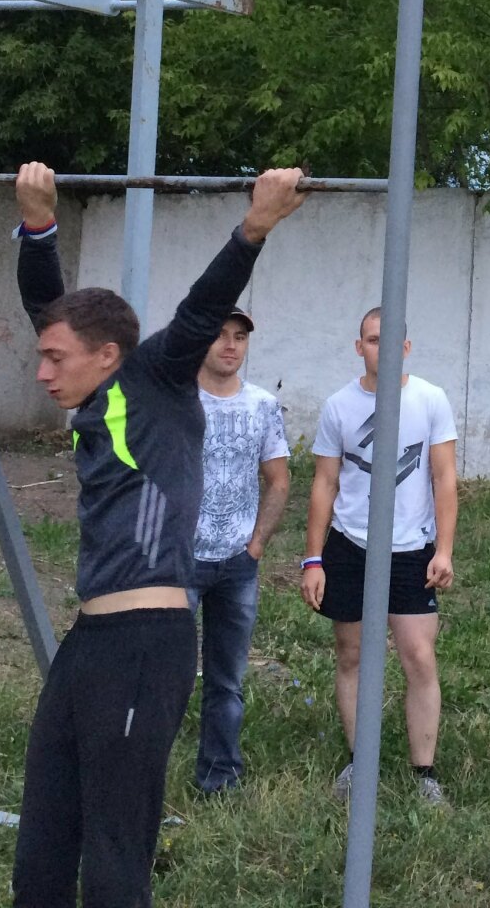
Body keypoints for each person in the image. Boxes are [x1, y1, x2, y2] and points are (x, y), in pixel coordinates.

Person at [9, 161, 309, 906]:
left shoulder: (156, 380)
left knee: (115, 853)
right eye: (43, 356)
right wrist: (39, 225)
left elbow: (202, 309)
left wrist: (255, 226)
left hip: (146, 643)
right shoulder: (97, 393)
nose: (42, 372)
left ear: (108, 355)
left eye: (55, 359)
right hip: (88, 641)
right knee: (44, 836)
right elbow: (50, 309)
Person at [301, 307, 458, 807]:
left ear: (405, 348)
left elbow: (443, 478)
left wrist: (444, 550)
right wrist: (313, 559)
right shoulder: (339, 407)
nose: (382, 349)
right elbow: (325, 483)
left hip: (411, 549)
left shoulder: (430, 400)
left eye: (391, 341)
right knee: (351, 654)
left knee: (419, 656)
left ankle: (424, 774)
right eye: (372, 340)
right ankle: (358, 760)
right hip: (351, 546)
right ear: (359, 347)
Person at [186, 306, 291, 793]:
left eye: (240, 337)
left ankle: (220, 777)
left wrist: (257, 544)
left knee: (227, 680)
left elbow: (278, 480)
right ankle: (141, 773)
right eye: (221, 335)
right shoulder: (179, 400)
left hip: (237, 564)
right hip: (181, 561)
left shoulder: (262, 405)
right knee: (166, 674)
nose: (231, 345)